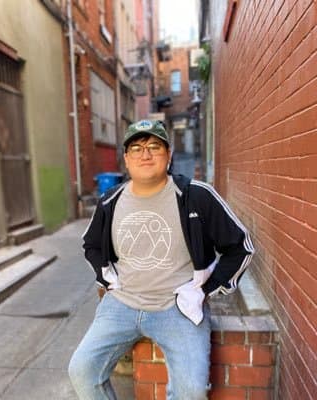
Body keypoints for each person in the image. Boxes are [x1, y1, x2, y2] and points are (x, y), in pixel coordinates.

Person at [68, 119, 254, 400]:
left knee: (191, 392)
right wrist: (106, 277)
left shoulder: (196, 196)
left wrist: (203, 290)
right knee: (82, 371)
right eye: (136, 148)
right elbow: (90, 245)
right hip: (120, 305)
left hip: (176, 308)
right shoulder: (110, 201)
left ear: (169, 155)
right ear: (126, 159)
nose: (145, 154)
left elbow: (241, 247)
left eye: (154, 147)